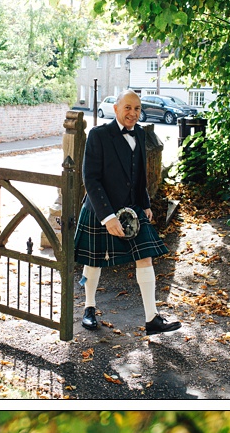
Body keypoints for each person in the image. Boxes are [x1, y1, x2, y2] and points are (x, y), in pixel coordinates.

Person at [75, 90, 182, 336]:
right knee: (94, 260)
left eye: (137, 108)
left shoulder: (141, 134)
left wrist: (145, 204)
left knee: (145, 257)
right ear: (116, 109)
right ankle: (89, 308)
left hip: (132, 209)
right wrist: (108, 216)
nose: (133, 113)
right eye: (128, 108)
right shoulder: (98, 135)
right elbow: (90, 178)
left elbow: (140, 174)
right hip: (101, 209)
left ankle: (152, 319)